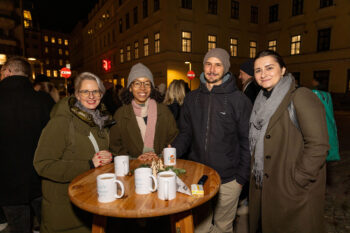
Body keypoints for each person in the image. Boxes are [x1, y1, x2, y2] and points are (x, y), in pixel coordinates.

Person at [172, 48, 252, 233]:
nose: (212, 69)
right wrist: (171, 151)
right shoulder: (192, 98)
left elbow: (247, 141)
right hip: (199, 177)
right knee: (200, 227)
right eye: (208, 64)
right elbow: (185, 133)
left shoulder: (239, 100)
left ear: (226, 68)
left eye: (218, 64)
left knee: (223, 227)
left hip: (229, 179)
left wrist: (241, 178)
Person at [249, 50, 329, 233]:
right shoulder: (260, 101)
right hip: (265, 188)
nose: (263, 74)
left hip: (291, 191)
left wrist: (298, 179)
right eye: (258, 70)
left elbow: (318, 145)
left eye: (269, 68)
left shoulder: (300, 96)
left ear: (283, 69)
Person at [34, 72, 114, 233]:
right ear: (77, 94)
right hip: (65, 215)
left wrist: (108, 156)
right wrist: (89, 164)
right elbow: (42, 164)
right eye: (85, 91)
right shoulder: (61, 122)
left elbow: (93, 152)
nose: (91, 96)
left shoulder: (99, 120)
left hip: (91, 206)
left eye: (96, 91)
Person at [0, 56, 52, 233]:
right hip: (41, 179)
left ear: (7, 72)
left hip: (7, 183)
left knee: (19, 229)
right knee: (49, 225)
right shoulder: (44, 101)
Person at [110, 63, 178, 160]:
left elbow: (174, 139)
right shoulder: (120, 115)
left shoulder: (164, 112)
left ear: (152, 88)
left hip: (160, 166)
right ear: (130, 87)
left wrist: (164, 154)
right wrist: (134, 159)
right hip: (132, 169)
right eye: (137, 83)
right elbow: (115, 147)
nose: (143, 88)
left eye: (147, 83)